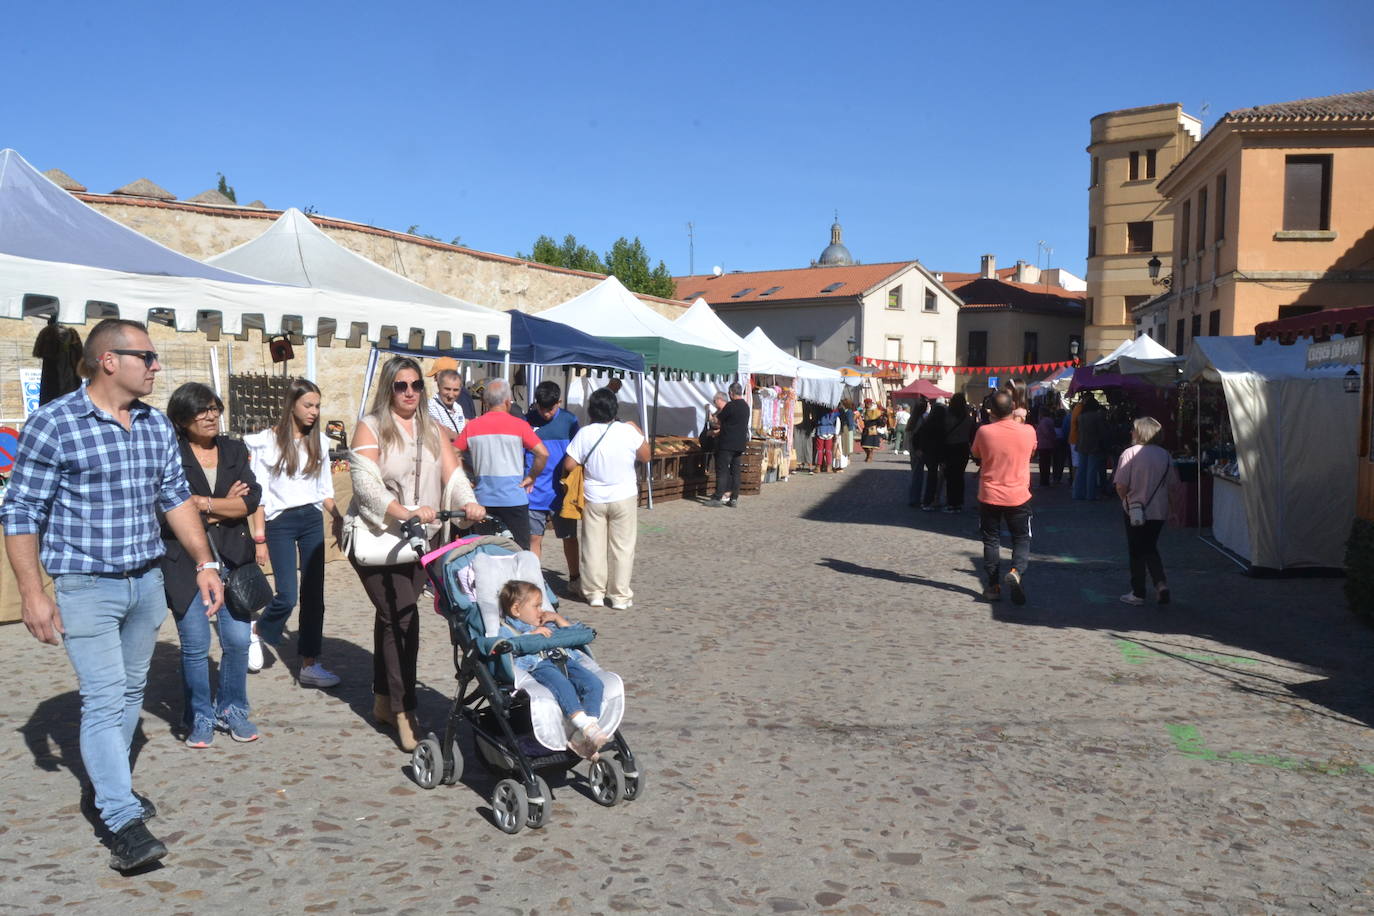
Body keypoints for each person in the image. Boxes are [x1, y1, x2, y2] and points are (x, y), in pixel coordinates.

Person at [1, 318, 224, 872]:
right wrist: (33, 594)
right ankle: (122, 817)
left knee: (129, 693)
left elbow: (176, 497)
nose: (156, 366)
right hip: (85, 587)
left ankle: (108, 787)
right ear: (108, 361)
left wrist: (204, 561)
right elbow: (21, 510)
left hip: (146, 582)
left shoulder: (153, 426)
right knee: (103, 699)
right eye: (146, 357)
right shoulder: (54, 424)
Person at [348, 356, 485, 750]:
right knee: (402, 619)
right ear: (388, 388)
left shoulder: (434, 429)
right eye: (400, 386)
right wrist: (402, 512)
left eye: (415, 385)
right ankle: (405, 708)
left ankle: (381, 699)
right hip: (379, 537)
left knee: (391, 617)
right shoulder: (370, 427)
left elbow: (453, 475)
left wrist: (469, 504)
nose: (409, 392)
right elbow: (366, 486)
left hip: (419, 541)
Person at [161, 383, 262, 747]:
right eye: (201, 410)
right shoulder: (170, 454)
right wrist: (221, 506)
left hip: (235, 559)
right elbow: (166, 512)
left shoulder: (234, 448)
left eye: (215, 408)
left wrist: (199, 505)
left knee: (236, 641)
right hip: (184, 563)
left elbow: (250, 501)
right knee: (195, 644)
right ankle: (200, 714)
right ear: (182, 418)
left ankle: (233, 708)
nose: (211, 415)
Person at [245, 379, 342, 688]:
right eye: (308, 405)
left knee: (315, 596)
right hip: (280, 523)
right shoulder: (267, 442)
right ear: (292, 405)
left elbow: (325, 490)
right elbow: (258, 494)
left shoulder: (320, 443)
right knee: (287, 594)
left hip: (312, 519)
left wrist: (339, 517)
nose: (314, 412)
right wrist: (259, 538)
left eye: (317, 406)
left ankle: (310, 663)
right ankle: (258, 631)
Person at [497, 580, 608, 758]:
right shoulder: (507, 628)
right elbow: (506, 645)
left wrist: (557, 618)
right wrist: (531, 636)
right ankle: (586, 726)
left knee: (595, 684)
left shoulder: (547, 622)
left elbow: (574, 633)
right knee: (563, 686)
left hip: (565, 658)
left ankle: (584, 735)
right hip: (539, 664)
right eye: (536, 606)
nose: (541, 610)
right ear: (516, 609)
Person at [563, 386, 650, 609]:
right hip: (624, 495)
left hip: (594, 497)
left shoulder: (585, 433)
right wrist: (636, 429)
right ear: (615, 409)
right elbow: (646, 456)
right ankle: (620, 596)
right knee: (623, 547)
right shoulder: (628, 431)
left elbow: (569, 464)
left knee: (593, 547)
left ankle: (595, 593)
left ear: (592, 411)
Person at [454, 378, 548, 549]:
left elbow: (453, 454)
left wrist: (470, 471)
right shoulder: (520, 425)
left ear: (485, 401)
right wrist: (531, 477)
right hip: (513, 499)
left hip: (483, 500)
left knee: (486, 552)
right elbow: (543, 453)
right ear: (507, 401)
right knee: (518, 552)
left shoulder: (473, 426)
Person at [971, 391, 1037, 605]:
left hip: (990, 494)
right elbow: (1032, 452)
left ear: (991, 411)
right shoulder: (1028, 431)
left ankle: (993, 587)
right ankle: (1017, 571)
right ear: (1012, 408)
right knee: (1021, 538)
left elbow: (977, 454)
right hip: (1018, 495)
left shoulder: (984, 432)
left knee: (991, 540)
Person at [1114, 417, 1177, 606]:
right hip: (1159, 509)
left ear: (1141, 432)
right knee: (1150, 547)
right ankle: (1160, 584)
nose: (1131, 432)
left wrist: (1125, 500)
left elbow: (1121, 484)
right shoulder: (1165, 455)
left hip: (1135, 508)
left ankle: (1139, 591)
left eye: (1133, 429)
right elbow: (1172, 486)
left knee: (1137, 550)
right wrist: (1172, 509)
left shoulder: (1130, 453)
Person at [524, 380, 580, 585]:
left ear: (559, 402)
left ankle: (575, 578)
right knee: (534, 538)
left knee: (569, 537)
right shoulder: (527, 421)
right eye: (542, 408)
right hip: (535, 492)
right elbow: (521, 454)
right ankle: (534, 582)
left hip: (562, 493)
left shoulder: (570, 421)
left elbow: (578, 453)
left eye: (551, 408)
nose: (546, 413)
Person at [704, 382, 750, 508]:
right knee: (735, 471)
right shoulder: (746, 406)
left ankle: (718, 497)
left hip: (727, 443)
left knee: (722, 470)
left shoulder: (731, 406)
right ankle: (734, 498)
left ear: (731, 393)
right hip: (740, 443)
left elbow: (718, 421)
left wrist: (710, 417)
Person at [941, 393, 975, 513]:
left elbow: (943, 431)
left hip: (950, 447)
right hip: (963, 447)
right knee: (959, 476)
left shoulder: (947, 416)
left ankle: (951, 503)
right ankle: (959, 503)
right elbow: (972, 434)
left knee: (950, 476)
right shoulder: (968, 418)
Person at [426, 359, 473, 441]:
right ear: (439, 386)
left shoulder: (458, 406)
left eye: (455, 390)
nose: (451, 395)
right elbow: (442, 434)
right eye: (447, 389)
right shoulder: (431, 406)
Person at [1074, 397, 1108, 501]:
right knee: (1091, 471)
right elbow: (1102, 432)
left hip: (1081, 444)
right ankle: (1090, 494)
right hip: (1094, 445)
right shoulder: (1097, 417)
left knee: (1081, 470)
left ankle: (1078, 494)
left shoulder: (1081, 417)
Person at [915, 400, 947, 510]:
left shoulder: (927, 424)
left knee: (931, 477)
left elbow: (919, 437)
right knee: (938, 478)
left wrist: (920, 449)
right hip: (939, 453)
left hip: (928, 453)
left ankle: (928, 501)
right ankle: (933, 500)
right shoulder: (943, 426)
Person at [903, 396, 929, 505]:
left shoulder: (912, 419)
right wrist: (919, 449)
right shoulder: (921, 420)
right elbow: (917, 436)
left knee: (915, 474)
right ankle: (915, 499)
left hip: (913, 450)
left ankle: (913, 498)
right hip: (918, 450)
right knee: (918, 476)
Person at [1034, 406, 1057, 488]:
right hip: (1049, 445)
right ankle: (1045, 481)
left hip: (1043, 445)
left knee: (1043, 464)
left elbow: (1046, 432)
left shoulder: (1043, 421)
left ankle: (1043, 481)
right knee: (1046, 464)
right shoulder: (1050, 420)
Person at [814, 405, 841, 472]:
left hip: (821, 429)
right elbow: (837, 416)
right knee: (828, 450)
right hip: (830, 430)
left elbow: (815, 418)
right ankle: (829, 467)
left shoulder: (819, 409)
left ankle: (818, 467)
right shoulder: (833, 410)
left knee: (820, 449)